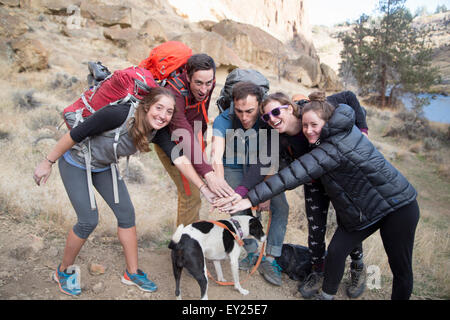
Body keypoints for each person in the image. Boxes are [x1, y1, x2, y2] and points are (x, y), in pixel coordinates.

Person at [216, 91, 420, 300]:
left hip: (371, 194)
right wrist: (241, 194)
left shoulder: (324, 126)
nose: (272, 119)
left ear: (291, 107)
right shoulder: (282, 134)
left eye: (276, 112)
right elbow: (264, 165)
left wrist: (363, 129)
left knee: (382, 253)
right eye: (266, 117)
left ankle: (357, 266)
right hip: (324, 185)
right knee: (326, 241)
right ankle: (320, 278)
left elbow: (292, 174)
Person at [33, 87, 217, 296]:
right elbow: (74, 135)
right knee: (88, 220)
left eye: (169, 111)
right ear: (146, 106)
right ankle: (63, 272)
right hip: (76, 161)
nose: (163, 115)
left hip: (103, 166)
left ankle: (132, 272)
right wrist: (47, 162)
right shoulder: (119, 114)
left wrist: (203, 188)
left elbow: (179, 159)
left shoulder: (158, 131)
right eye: (159, 108)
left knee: (126, 215)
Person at [289, 91, 368, 298]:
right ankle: (317, 271)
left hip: (340, 178)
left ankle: (357, 266)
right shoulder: (291, 126)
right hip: (314, 182)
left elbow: (351, 96)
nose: (306, 128)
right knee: (315, 227)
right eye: (302, 123)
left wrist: (363, 129)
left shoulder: (327, 108)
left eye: (312, 124)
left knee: (349, 222)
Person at [211, 81, 289, 286]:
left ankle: (270, 258)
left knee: (281, 207)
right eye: (239, 111)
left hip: (262, 166)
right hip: (234, 164)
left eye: (250, 111)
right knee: (236, 207)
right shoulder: (224, 119)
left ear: (260, 106)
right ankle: (253, 253)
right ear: (232, 106)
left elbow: (271, 158)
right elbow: (216, 156)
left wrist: (267, 194)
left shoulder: (268, 119)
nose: (244, 117)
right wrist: (219, 184)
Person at [152, 53, 234, 227]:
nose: (204, 90)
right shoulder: (174, 94)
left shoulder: (206, 84)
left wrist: (202, 142)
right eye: (198, 83)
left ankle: (189, 239)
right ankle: (183, 249)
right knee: (191, 195)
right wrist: (208, 173)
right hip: (170, 140)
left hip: (193, 136)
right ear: (187, 76)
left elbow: (200, 112)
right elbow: (182, 132)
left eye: (208, 83)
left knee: (195, 191)